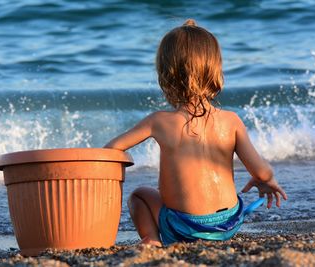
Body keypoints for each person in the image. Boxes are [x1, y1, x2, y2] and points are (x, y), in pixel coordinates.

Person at [104, 19, 287, 247]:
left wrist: (122, 163)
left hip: (184, 228)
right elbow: (262, 172)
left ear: (165, 74)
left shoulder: (158, 122)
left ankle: (151, 239)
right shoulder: (231, 121)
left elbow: (110, 150)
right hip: (228, 224)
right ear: (215, 71)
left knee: (139, 195)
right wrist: (265, 182)